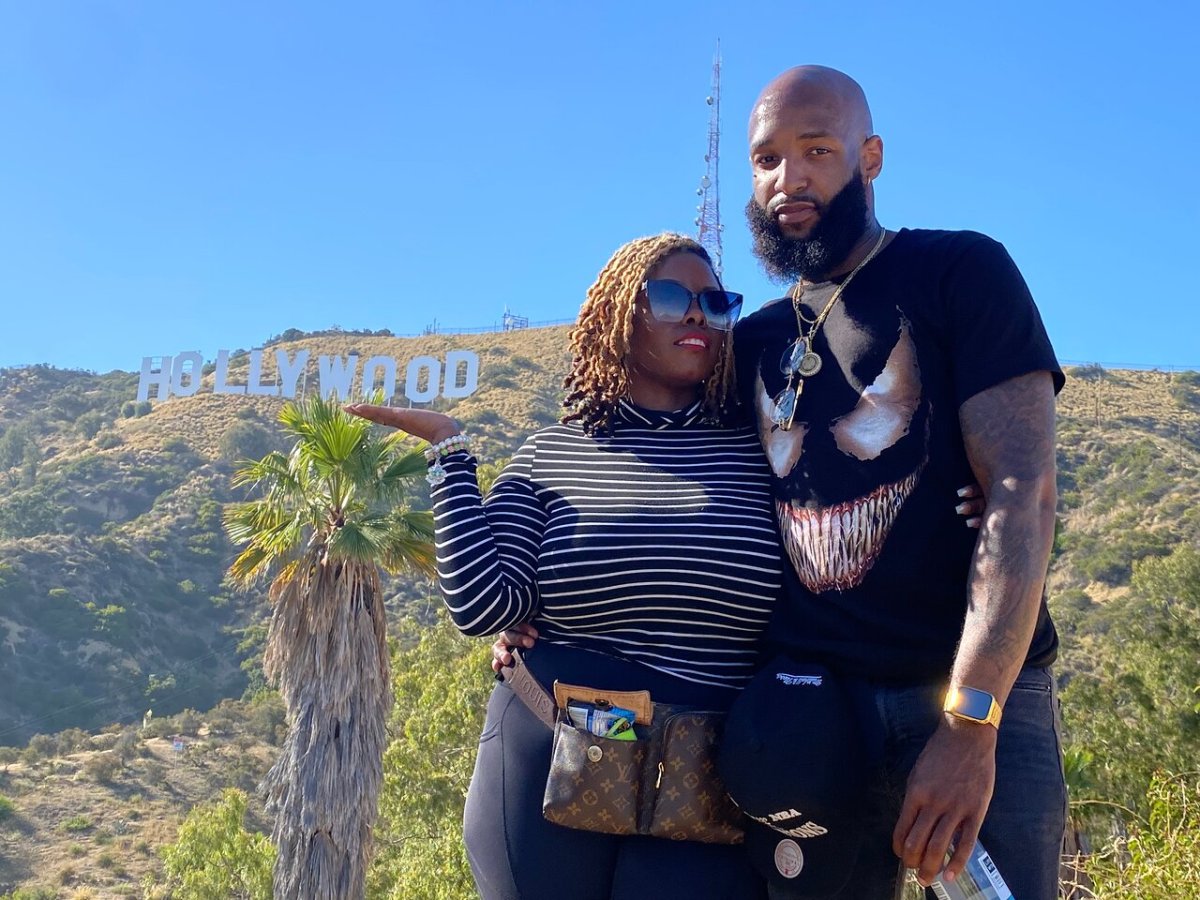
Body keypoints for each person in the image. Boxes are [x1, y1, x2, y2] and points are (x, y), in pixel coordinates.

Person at [349, 233, 781, 900]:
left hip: (701, 775)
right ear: (617, 315)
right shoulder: (549, 455)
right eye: (669, 297)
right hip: (547, 757)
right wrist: (450, 453)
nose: (697, 314)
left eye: (715, 302)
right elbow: (484, 607)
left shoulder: (766, 459)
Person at [730, 65, 1067, 899]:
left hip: (972, 699)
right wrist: (536, 621)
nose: (789, 178)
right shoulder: (749, 344)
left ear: (869, 157)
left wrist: (969, 725)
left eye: (816, 150)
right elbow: (685, 504)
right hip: (813, 715)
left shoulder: (961, 272)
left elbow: (1023, 491)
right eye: (767, 158)